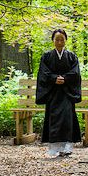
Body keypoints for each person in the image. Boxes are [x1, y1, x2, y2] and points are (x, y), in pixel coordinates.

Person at [35, 29, 82, 158]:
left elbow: (76, 73)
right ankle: (54, 149)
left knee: (67, 120)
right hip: (53, 93)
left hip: (67, 93)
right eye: (57, 39)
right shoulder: (47, 56)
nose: (60, 42)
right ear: (53, 41)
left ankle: (67, 148)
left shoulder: (72, 57)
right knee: (53, 119)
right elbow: (43, 74)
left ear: (66, 40)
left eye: (62, 39)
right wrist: (54, 78)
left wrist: (65, 78)